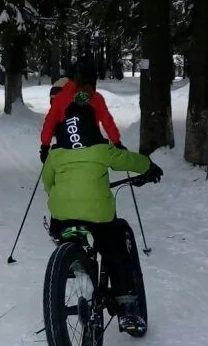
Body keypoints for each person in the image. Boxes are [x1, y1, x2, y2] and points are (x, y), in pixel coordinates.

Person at [42, 101, 161, 333]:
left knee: (66, 233)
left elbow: (48, 183)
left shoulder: (55, 154)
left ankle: (74, 262)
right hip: (98, 216)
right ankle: (127, 308)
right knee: (116, 249)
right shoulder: (100, 150)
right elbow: (128, 160)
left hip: (62, 216)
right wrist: (149, 167)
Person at [40, 65, 120, 162]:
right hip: (92, 146)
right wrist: (116, 142)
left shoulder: (60, 98)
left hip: (66, 145)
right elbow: (108, 122)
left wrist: (45, 146)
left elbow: (50, 122)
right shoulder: (96, 98)